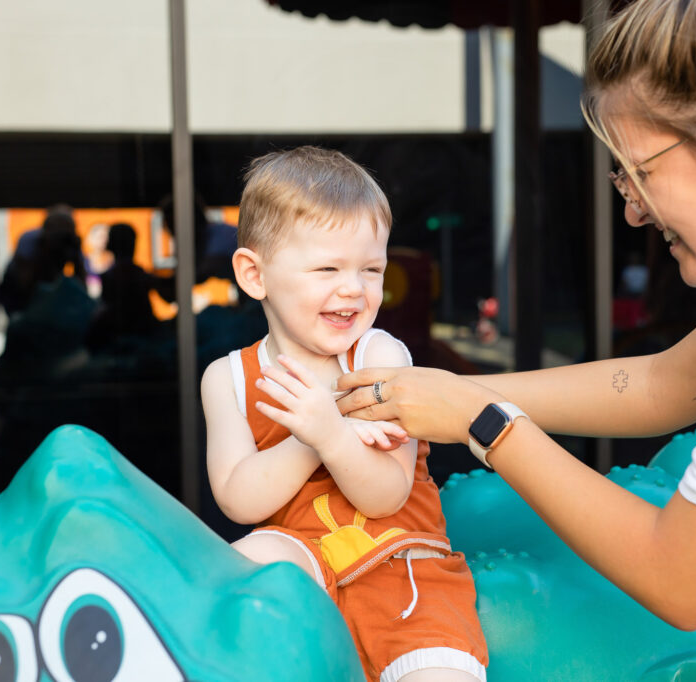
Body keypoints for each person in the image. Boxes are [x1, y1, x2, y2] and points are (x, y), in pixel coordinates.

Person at [337, 0, 696, 632]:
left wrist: (479, 420)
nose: (632, 213)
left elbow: (682, 578)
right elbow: (669, 384)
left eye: (639, 173)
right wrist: (445, 394)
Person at [200, 146, 488, 682]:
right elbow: (240, 499)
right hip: (304, 569)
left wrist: (329, 432)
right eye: (328, 267)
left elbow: (386, 495)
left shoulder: (378, 357)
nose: (353, 288)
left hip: (401, 571)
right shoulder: (227, 378)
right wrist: (315, 435)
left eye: (371, 269)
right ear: (254, 274)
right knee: (250, 558)